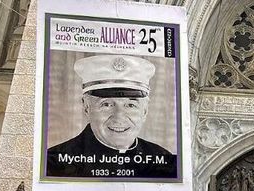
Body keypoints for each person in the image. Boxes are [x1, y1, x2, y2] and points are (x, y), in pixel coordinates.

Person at [46, 54, 176, 179]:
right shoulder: (55, 161)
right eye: (107, 104)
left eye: (130, 105)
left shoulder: (164, 160)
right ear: (87, 107)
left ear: (145, 111)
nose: (119, 117)